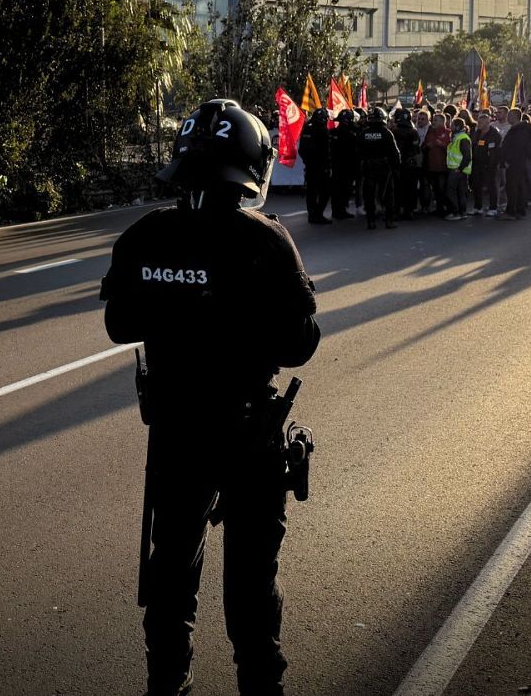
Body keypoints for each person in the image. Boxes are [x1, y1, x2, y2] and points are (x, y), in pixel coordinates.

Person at [102, 98, 320, 696]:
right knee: (252, 584)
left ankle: (167, 685)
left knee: (172, 573)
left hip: (175, 432)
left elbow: (119, 325)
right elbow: (301, 344)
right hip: (249, 435)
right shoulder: (267, 241)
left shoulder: (145, 234)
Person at [358, 107, 401, 230]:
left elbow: (357, 152)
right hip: (384, 168)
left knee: (369, 195)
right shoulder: (386, 133)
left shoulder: (363, 133)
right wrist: (396, 167)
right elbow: (395, 153)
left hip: (368, 168)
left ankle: (371, 221)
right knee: (388, 194)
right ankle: (389, 220)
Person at [500, 108, 531, 220]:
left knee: (512, 187)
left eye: (509, 115)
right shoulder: (518, 129)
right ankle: (519, 210)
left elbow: (517, 148)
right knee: (518, 186)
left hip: (515, 163)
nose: (508, 117)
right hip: (517, 162)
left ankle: (512, 212)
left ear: (514, 117)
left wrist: (508, 161)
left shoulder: (520, 130)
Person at [298, 109, 332, 224]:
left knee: (311, 192)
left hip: (310, 167)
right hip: (320, 167)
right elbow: (327, 150)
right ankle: (318, 214)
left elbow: (301, 150)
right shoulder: (322, 130)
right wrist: (327, 165)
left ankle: (312, 215)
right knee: (325, 191)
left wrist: (307, 162)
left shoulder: (307, 128)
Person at [329, 109, 360, 221]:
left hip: (340, 166)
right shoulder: (352, 133)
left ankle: (338, 210)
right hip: (345, 167)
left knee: (339, 189)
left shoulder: (332, 132)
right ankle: (339, 210)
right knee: (342, 189)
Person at [470, 109, 501, 217]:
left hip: (489, 165)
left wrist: (492, 165)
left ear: (488, 123)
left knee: (491, 186)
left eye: (481, 123)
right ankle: (477, 207)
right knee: (476, 185)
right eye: (478, 122)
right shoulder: (476, 133)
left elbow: (495, 152)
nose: (479, 124)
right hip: (477, 164)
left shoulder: (494, 134)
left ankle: (493, 207)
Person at [393, 107, 422, 220]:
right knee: (410, 188)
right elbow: (416, 148)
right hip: (410, 164)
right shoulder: (413, 131)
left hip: (399, 164)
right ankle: (408, 210)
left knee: (397, 188)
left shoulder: (394, 131)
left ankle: (397, 210)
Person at [444, 113, 474, 221]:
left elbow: (467, 156)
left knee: (451, 191)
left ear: (457, 127)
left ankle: (455, 212)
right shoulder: (458, 137)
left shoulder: (462, 138)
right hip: (459, 169)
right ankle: (462, 212)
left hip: (458, 170)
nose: (450, 127)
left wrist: (459, 169)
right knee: (461, 192)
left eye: (452, 125)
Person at [423, 113, 452, 217]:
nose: (433, 122)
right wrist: (427, 146)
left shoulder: (448, 132)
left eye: (436, 120)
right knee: (435, 189)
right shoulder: (430, 132)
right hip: (432, 166)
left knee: (443, 189)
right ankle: (439, 208)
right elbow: (424, 146)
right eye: (433, 120)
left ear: (442, 122)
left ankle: (446, 209)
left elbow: (451, 148)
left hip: (443, 167)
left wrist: (441, 144)